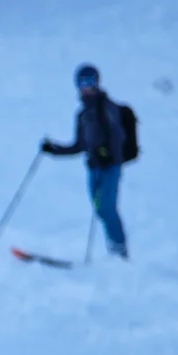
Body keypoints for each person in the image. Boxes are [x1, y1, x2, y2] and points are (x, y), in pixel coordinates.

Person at [42, 63, 128, 258]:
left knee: (106, 207)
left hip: (109, 168)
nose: (85, 87)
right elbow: (79, 145)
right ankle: (114, 249)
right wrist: (54, 149)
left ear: (96, 83)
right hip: (93, 168)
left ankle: (119, 250)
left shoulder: (107, 107)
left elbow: (117, 136)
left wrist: (109, 156)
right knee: (100, 209)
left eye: (89, 82)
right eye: (81, 83)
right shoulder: (83, 115)